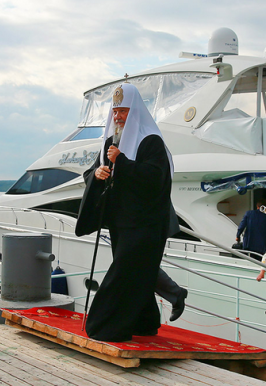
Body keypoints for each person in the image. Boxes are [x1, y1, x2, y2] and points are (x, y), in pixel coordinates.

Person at [75, 83, 178, 341]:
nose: (118, 116)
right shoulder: (111, 141)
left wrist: (122, 161)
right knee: (139, 272)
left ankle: (104, 325)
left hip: (146, 223)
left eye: (123, 111)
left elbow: (156, 178)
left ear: (135, 111)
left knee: (124, 272)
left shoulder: (150, 141)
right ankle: (144, 323)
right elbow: (93, 170)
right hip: (121, 222)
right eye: (115, 111)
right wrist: (96, 175)